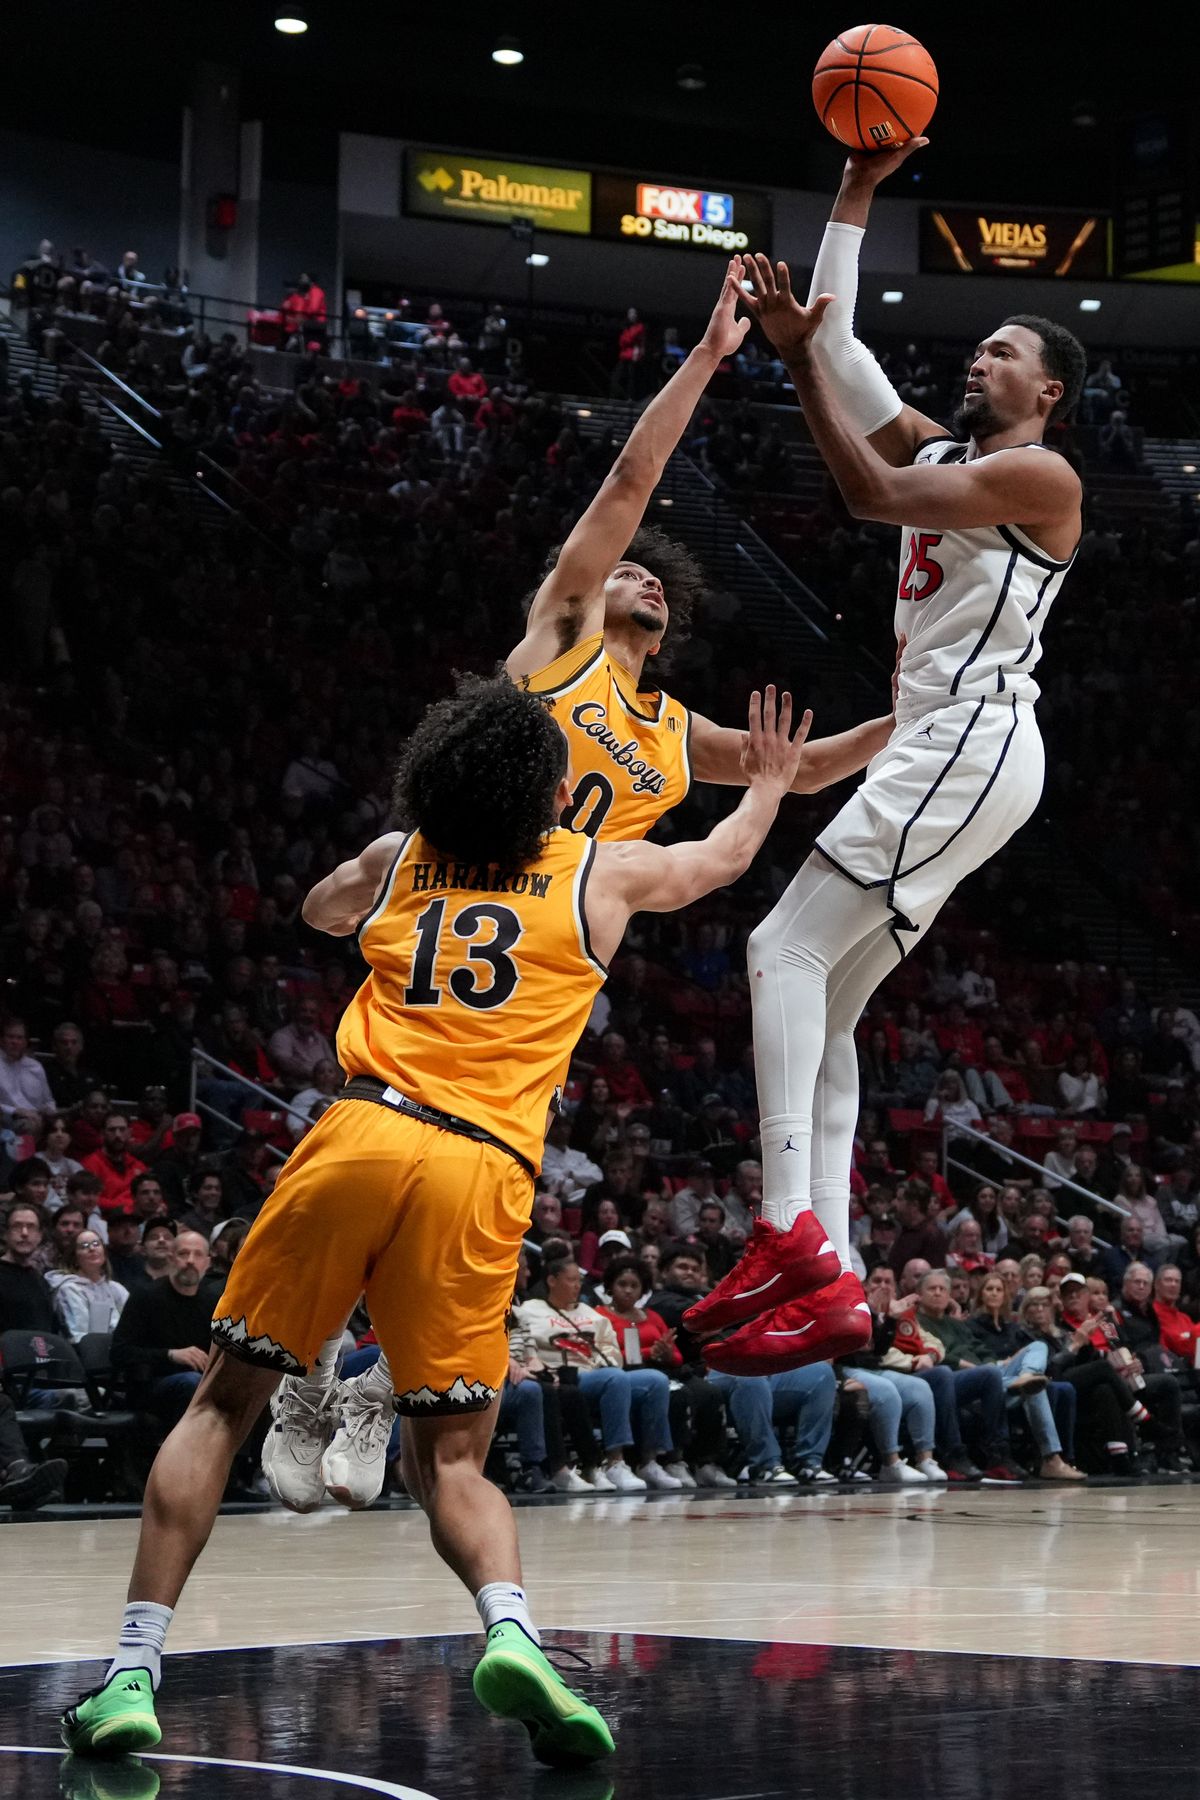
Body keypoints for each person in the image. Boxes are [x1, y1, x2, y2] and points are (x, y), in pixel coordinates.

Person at [63, 672, 807, 1766]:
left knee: (223, 1409)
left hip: (360, 1133)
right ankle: (512, 1632)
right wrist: (771, 786)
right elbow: (722, 861)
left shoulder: (400, 857)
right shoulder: (600, 871)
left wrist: (392, 869)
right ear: (555, 799)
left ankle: (133, 1674)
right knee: (452, 1460)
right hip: (481, 1169)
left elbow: (320, 908)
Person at [687, 140, 1084, 1370]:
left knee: (780, 947)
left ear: (1048, 392)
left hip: (963, 740)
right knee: (836, 1002)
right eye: (981, 346)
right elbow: (846, 349)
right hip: (957, 751)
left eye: (1005, 351)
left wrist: (799, 359)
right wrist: (856, 193)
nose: (982, 357)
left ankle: (784, 1230)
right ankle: (840, 1282)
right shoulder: (947, 450)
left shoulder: (1040, 475)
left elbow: (862, 492)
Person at [519, 1252, 679, 1490]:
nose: (577, 1285)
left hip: (596, 1372)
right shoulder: (531, 1309)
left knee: (655, 1379)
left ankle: (649, 1462)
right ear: (552, 1280)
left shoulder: (588, 1312)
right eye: (571, 1280)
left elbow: (611, 1350)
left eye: (579, 1281)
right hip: (562, 1377)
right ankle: (615, 1462)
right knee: (614, 1378)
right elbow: (525, 1346)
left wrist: (600, 1361)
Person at [54, 1230, 129, 1342]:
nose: (92, 1249)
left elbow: (133, 1323)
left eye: (96, 1244)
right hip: (85, 1352)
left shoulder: (116, 1288)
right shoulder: (69, 1289)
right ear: (75, 1257)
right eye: (84, 1246)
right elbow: (78, 1335)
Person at [0, 1201, 58, 1332]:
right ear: (6, 1234)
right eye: (17, 1226)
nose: (24, 1233)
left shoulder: (40, 1280)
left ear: (39, 1236)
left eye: (31, 1227)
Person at [0, 1017, 55, 1117]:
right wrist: (15, 1111)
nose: (15, 1042)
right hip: (9, 1119)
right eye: (10, 1037)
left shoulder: (35, 1067)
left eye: (19, 1038)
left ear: (25, 1042)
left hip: (39, 1118)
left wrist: (49, 1110)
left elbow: (48, 1101)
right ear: (2, 1040)